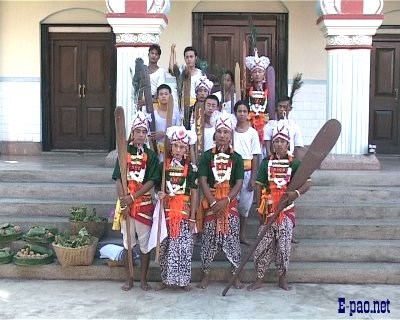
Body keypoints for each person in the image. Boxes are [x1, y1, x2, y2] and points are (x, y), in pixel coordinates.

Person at [247, 122, 310, 292]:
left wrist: (295, 194)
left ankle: (282, 279)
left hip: (286, 211)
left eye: (282, 141)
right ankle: (259, 279)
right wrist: (259, 208)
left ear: (288, 144)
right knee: (262, 246)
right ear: (272, 144)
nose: (279, 144)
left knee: (283, 247)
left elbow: (307, 183)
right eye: (276, 141)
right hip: (268, 211)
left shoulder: (295, 164)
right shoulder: (266, 162)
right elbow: (259, 185)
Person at [112, 111, 161, 291]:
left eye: (143, 131)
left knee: (144, 245)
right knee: (127, 244)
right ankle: (129, 278)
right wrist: (123, 202)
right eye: (137, 131)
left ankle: (143, 279)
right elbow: (118, 178)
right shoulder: (123, 153)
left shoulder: (152, 156)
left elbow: (151, 181)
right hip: (126, 206)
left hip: (144, 206)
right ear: (132, 133)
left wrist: (133, 197)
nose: (140, 134)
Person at [196, 109, 245, 290]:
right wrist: (214, 202)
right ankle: (206, 275)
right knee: (208, 239)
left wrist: (226, 201)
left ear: (231, 135)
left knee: (232, 238)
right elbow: (202, 180)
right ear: (215, 134)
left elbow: (239, 182)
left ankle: (235, 276)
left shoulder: (237, 158)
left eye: (226, 132)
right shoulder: (207, 156)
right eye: (219, 132)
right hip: (211, 203)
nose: (222, 135)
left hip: (229, 204)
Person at [155, 125, 198, 292]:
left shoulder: (191, 169)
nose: (178, 150)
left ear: (186, 149)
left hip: (184, 212)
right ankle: (165, 279)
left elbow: (194, 193)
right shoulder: (163, 167)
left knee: (184, 247)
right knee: (166, 246)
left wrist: (193, 217)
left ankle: (183, 281)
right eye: (175, 146)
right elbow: (158, 187)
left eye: (182, 147)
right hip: (166, 212)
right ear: (170, 147)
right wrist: (159, 193)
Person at [233, 100, 261, 245]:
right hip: (232, 173)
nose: (242, 114)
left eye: (244, 111)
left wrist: (254, 178)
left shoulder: (253, 133)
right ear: (235, 113)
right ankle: (230, 236)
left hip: (247, 171)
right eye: (239, 111)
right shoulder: (230, 131)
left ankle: (242, 235)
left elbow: (256, 155)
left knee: (244, 207)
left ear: (248, 113)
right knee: (232, 204)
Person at [264, 74, 305, 160]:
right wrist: (271, 160)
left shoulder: (295, 127)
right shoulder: (270, 125)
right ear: (276, 107)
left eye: (285, 107)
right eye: (280, 106)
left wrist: (292, 163)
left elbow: (298, 147)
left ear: (290, 108)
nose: (282, 109)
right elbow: (267, 147)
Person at [245, 48, 275, 157]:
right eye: (255, 72)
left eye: (260, 71)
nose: (257, 74)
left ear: (264, 74)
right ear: (251, 75)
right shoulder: (247, 91)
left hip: (265, 125)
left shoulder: (270, 90)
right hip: (250, 124)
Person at [149, 84, 181, 161]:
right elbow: (150, 135)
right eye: (161, 94)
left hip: (173, 149)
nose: (164, 96)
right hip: (158, 149)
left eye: (166, 94)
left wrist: (164, 133)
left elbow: (179, 130)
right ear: (158, 97)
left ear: (170, 96)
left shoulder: (175, 112)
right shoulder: (153, 114)